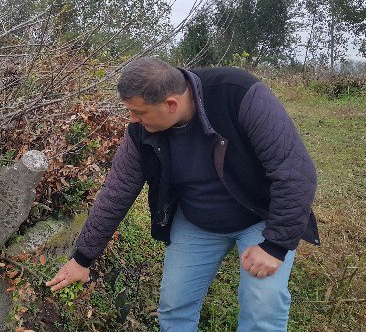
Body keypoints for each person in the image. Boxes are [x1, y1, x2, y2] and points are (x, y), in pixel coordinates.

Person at [45, 57, 319, 331]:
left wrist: (275, 246)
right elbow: (116, 191)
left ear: (171, 105)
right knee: (174, 305)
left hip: (259, 216)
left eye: (139, 113)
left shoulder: (237, 92)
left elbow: (295, 172)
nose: (133, 121)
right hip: (197, 221)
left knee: (262, 308)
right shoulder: (141, 131)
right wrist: (83, 258)